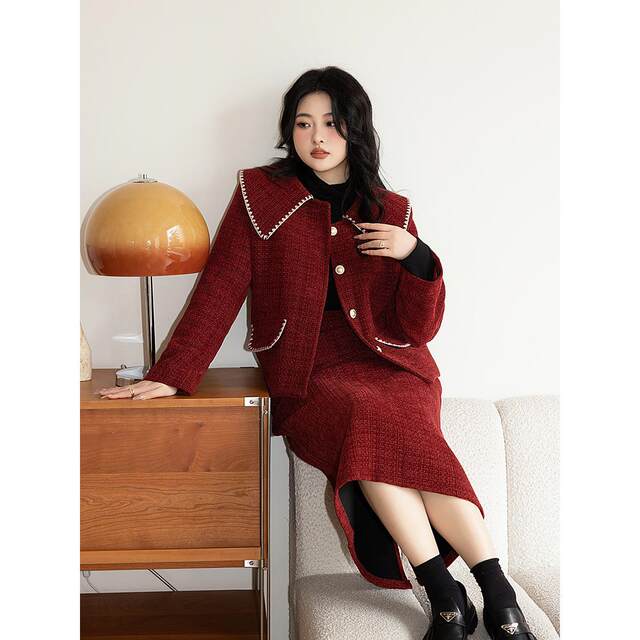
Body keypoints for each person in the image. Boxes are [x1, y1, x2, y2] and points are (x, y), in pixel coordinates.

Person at [98, 66, 536, 640]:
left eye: (331, 123)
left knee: (384, 422)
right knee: (364, 416)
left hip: (395, 368)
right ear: (290, 131)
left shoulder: (392, 210)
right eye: (303, 124)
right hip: (309, 373)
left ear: (356, 128)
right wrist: (174, 373)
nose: (317, 137)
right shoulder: (260, 196)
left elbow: (419, 328)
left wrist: (416, 256)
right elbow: (221, 288)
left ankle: (481, 598)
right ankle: (456, 594)